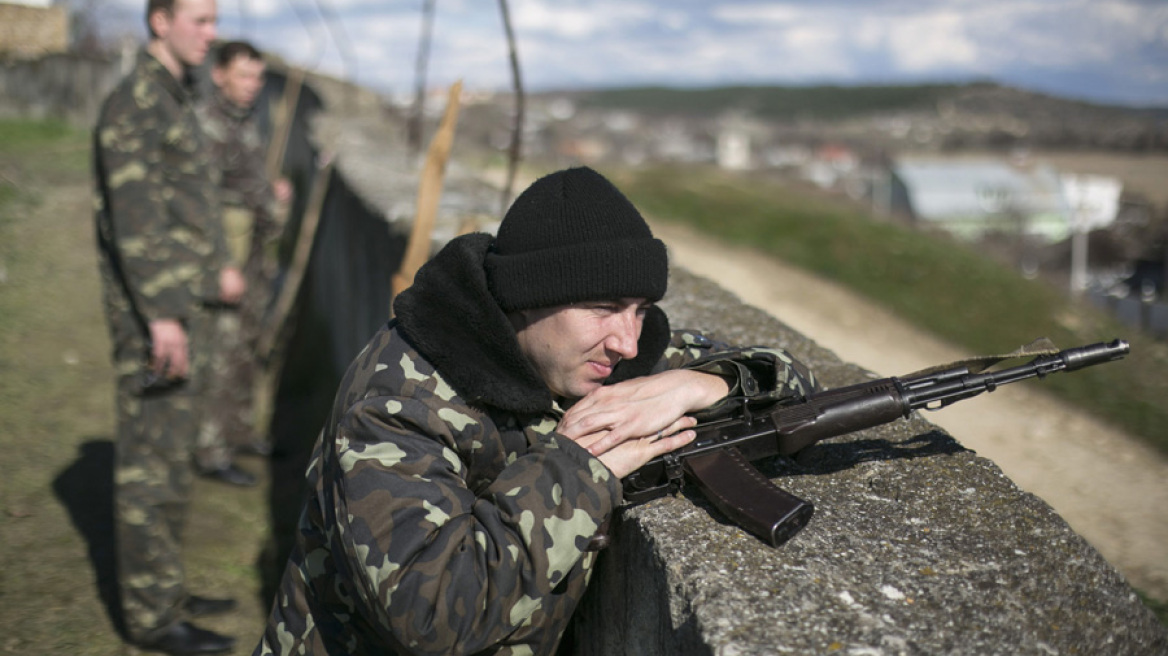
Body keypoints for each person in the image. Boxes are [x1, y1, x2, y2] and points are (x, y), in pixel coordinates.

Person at [254, 166, 817, 655]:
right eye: (603, 308)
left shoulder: (599, 352)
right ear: (527, 300)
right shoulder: (397, 402)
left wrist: (695, 384)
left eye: (641, 310)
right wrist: (573, 467)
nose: (627, 340)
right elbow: (430, 618)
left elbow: (793, 378)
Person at [92, 0, 243, 652]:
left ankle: (166, 588)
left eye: (214, 21)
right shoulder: (136, 102)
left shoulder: (172, 96)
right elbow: (136, 221)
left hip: (185, 308)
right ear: (160, 21)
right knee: (151, 467)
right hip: (156, 319)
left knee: (174, 460)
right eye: (200, 21)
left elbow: (187, 208)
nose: (211, 35)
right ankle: (153, 620)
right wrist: (161, 319)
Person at [192, 39, 290, 487]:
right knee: (221, 353)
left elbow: (245, 182)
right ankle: (211, 449)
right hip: (225, 259)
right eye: (244, 75)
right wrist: (219, 264)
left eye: (258, 76)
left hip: (250, 257)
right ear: (219, 75)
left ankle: (239, 431)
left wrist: (273, 195)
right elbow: (202, 203)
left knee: (247, 348)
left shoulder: (243, 121)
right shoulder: (208, 125)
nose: (253, 85)